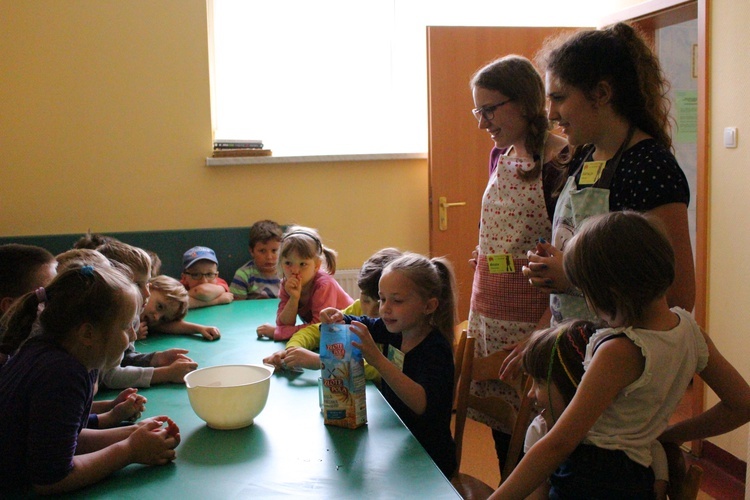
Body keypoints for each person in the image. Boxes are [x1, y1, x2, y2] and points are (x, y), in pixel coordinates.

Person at [493, 211, 750, 499]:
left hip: (591, 482)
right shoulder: (691, 334)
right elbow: (742, 404)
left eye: (588, 293)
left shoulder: (619, 351)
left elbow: (559, 443)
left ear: (611, 293)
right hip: (637, 480)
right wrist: (667, 434)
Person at [523, 22, 695, 326]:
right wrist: (540, 336)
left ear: (601, 94)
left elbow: (678, 296)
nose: (550, 113)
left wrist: (571, 277)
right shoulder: (581, 157)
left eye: (559, 98)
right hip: (572, 353)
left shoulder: (649, 168)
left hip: (622, 362)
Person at [467, 54, 570, 470]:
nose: (482, 122)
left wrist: (544, 331)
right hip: (490, 313)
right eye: (478, 110)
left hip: (533, 322)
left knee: (534, 442)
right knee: (501, 433)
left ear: (526, 102)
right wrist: (489, 257)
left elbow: (566, 257)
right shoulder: (501, 155)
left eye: (489, 109)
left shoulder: (560, 163)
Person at [0, 264, 180, 495]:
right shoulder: (63, 373)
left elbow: (65, 438)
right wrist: (129, 451)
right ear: (88, 334)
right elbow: (51, 479)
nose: (134, 335)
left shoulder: (68, 356)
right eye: (126, 327)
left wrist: (132, 433)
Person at [320, 253, 458, 478]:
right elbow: (365, 323)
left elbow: (422, 403)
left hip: (430, 460)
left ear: (429, 306)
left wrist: (377, 359)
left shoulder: (435, 348)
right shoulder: (394, 328)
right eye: (383, 299)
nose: (385, 309)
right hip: (398, 442)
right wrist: (339, 318)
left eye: (397, 301)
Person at [521, 319, 669, 499]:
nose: (530, 394)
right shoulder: (539, 431)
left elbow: (658, 487)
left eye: (540, 383)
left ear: (573, 385)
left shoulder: (631, 438)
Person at [263, 247, 402, 380]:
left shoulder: (400, 324)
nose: (371, 313)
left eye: (380, 303)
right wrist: (291, 351)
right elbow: (313, 331)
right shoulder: (357, 308)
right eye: (365, 300)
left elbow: (384, 371)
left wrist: (323, 362)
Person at [96, 241, 198, 389]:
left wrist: (156, 358)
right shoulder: (105, 321)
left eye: (147, 283)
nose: (146, 293)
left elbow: (124, 359)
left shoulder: (133, 314)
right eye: (137, 285)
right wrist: (166, 373)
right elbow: (109, 376)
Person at [261, 226, 352, 342]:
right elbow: (283, 323)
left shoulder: (324, 285)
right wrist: (294, 298)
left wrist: (278, 333)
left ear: (317, 265)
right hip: (331, 338)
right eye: (288, 263)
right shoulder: (287, 284)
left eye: (302, 264)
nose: (294, 270)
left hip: (349, 335)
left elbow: (320, 328)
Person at [231, 220, 283, 337]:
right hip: (251, 325)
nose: (269, 257)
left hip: (281, 323)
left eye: (275, 251)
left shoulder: (287, 273)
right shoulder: (243, 275)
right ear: (252, 251)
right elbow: (236, 310)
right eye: (262, 251)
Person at [141, 275, 221, 341]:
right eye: (159, 307)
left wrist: (200, 329)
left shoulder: (148, 320)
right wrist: (130, 336)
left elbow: (167, 326)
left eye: (163, 318)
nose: (156, 317)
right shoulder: (129, 301)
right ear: (148, 288)